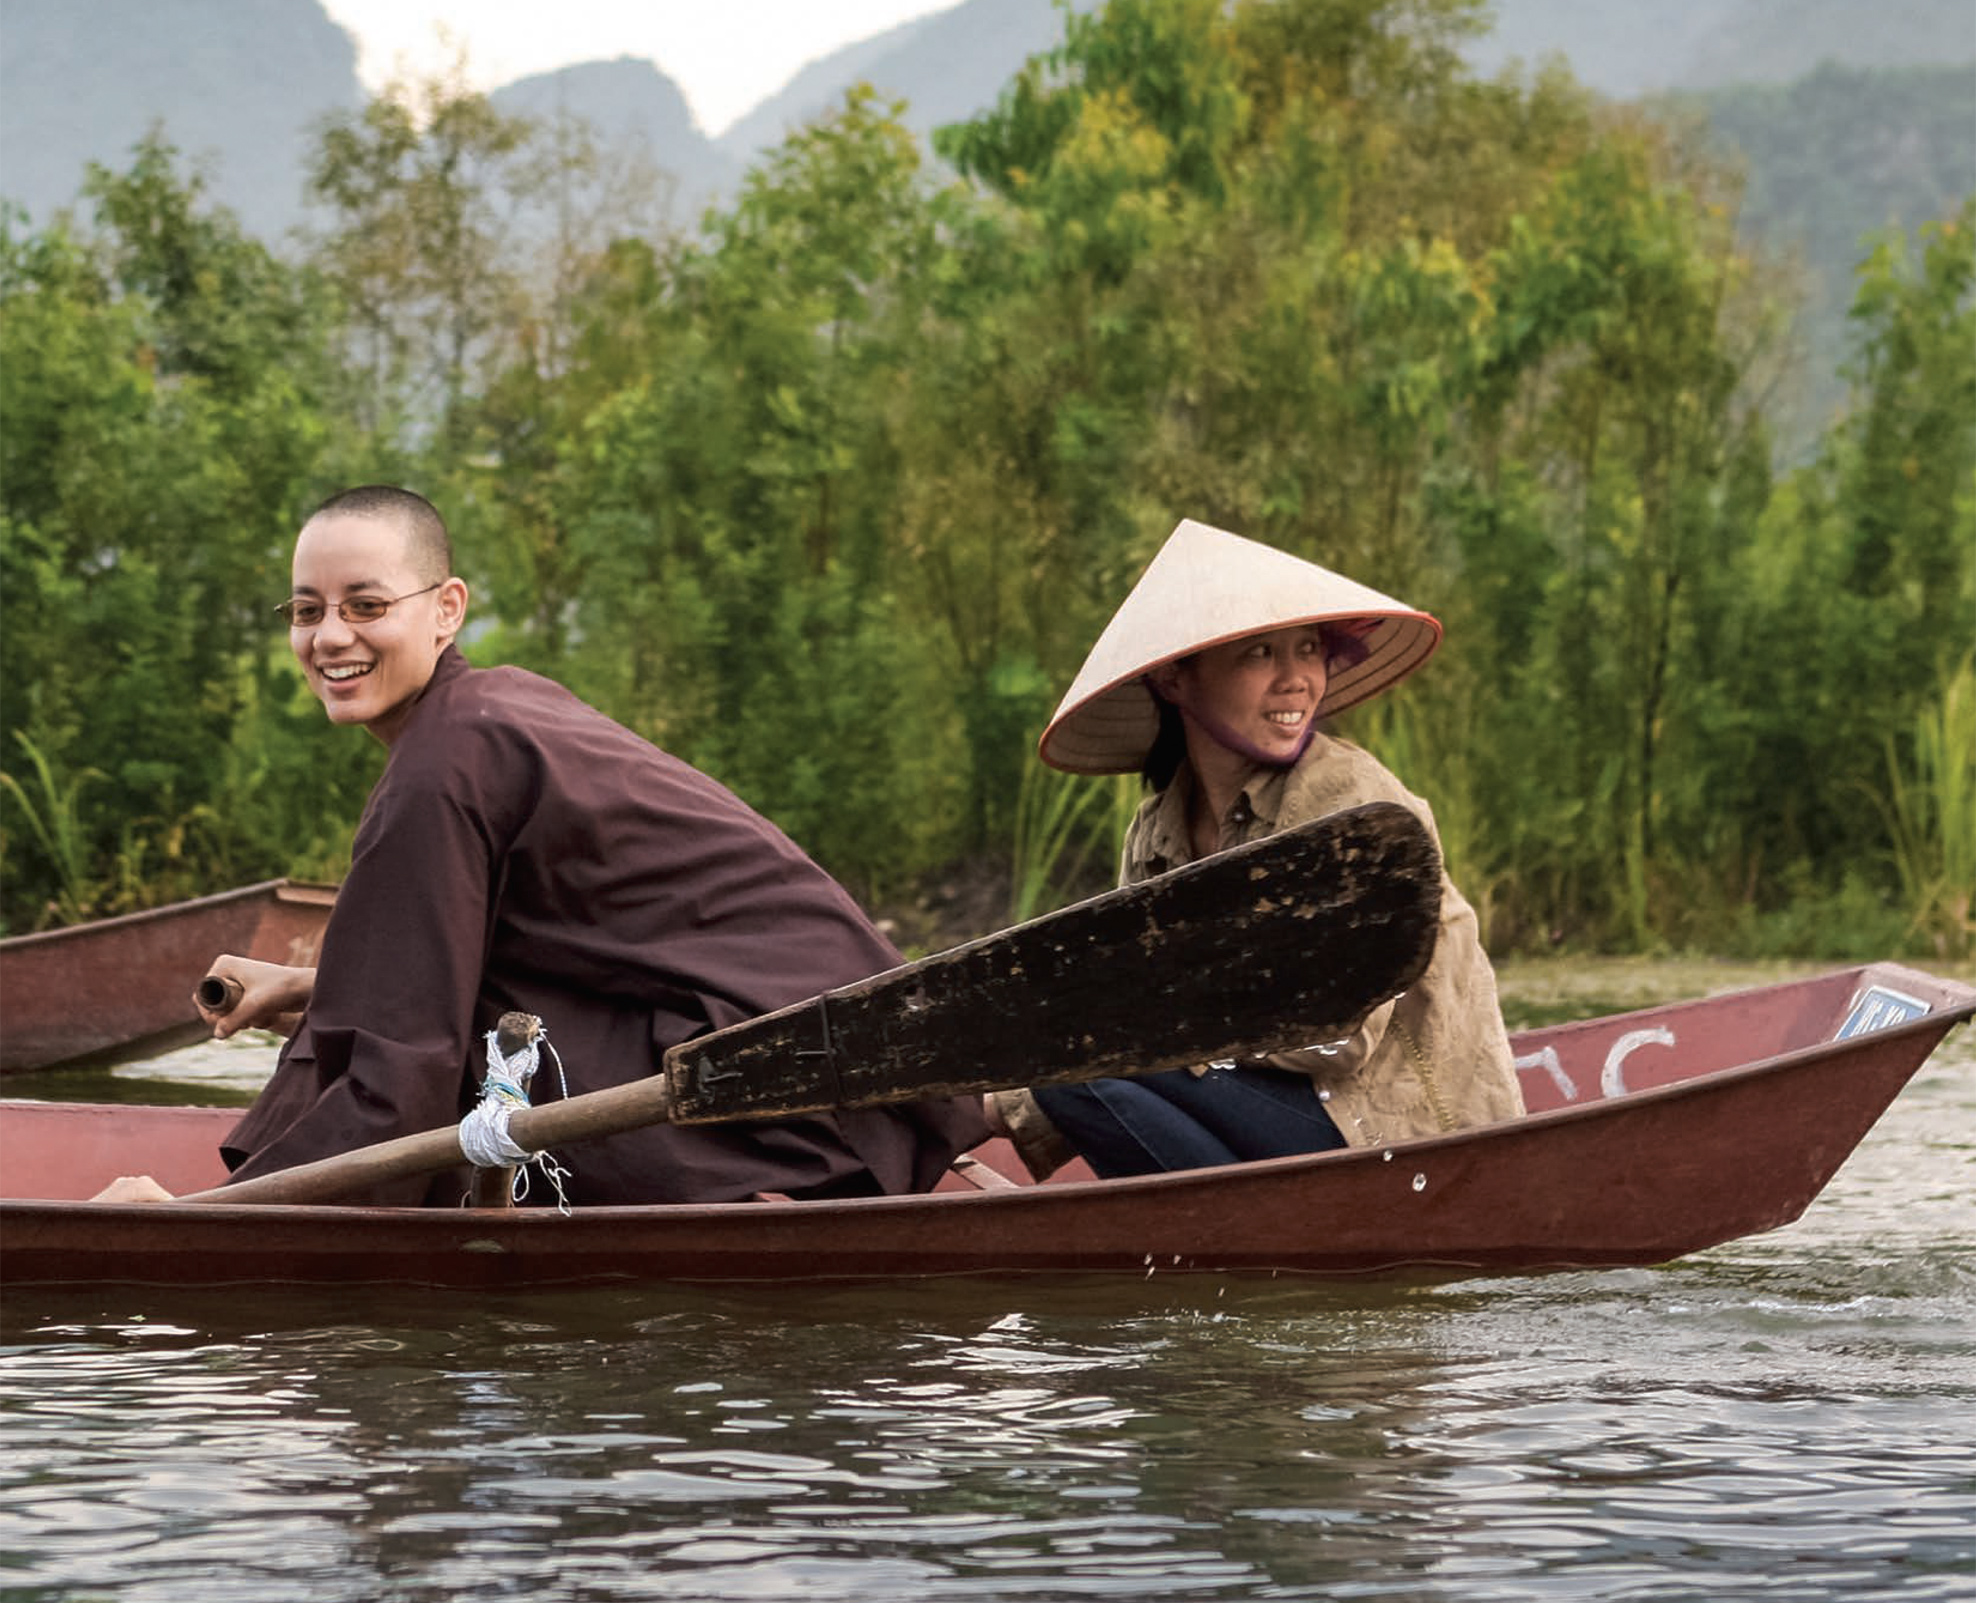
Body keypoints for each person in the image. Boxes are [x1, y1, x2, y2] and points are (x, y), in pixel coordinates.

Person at [96, 485, 986, 1206]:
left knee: (390, 1051)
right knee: (366, 1012)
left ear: (445, 610)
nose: (330, 636)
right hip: (850, 1095)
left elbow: (399, 1076)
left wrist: (201, 1218)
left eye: (366, 605)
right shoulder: (489, 710)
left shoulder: (442, 768)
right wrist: (312, 986)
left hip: (778, 1109)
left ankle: (247, 1211)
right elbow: (477, 975)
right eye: (306, 609)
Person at [989, 517, 1525, 1180]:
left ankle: (1217, 1245)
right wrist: (1001, 1095)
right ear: (1175, 679)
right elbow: (1128, 1012)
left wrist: (1130, 1026)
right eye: (1259, 654)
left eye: (1307, 649)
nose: (1298, 678)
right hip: (1286, 1118)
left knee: (1077, 1074)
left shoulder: (1352, 802)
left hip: (1399, 1139)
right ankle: (1210, 1252)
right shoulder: (1158, 832)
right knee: (1071, 1075)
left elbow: (1339, 1035)